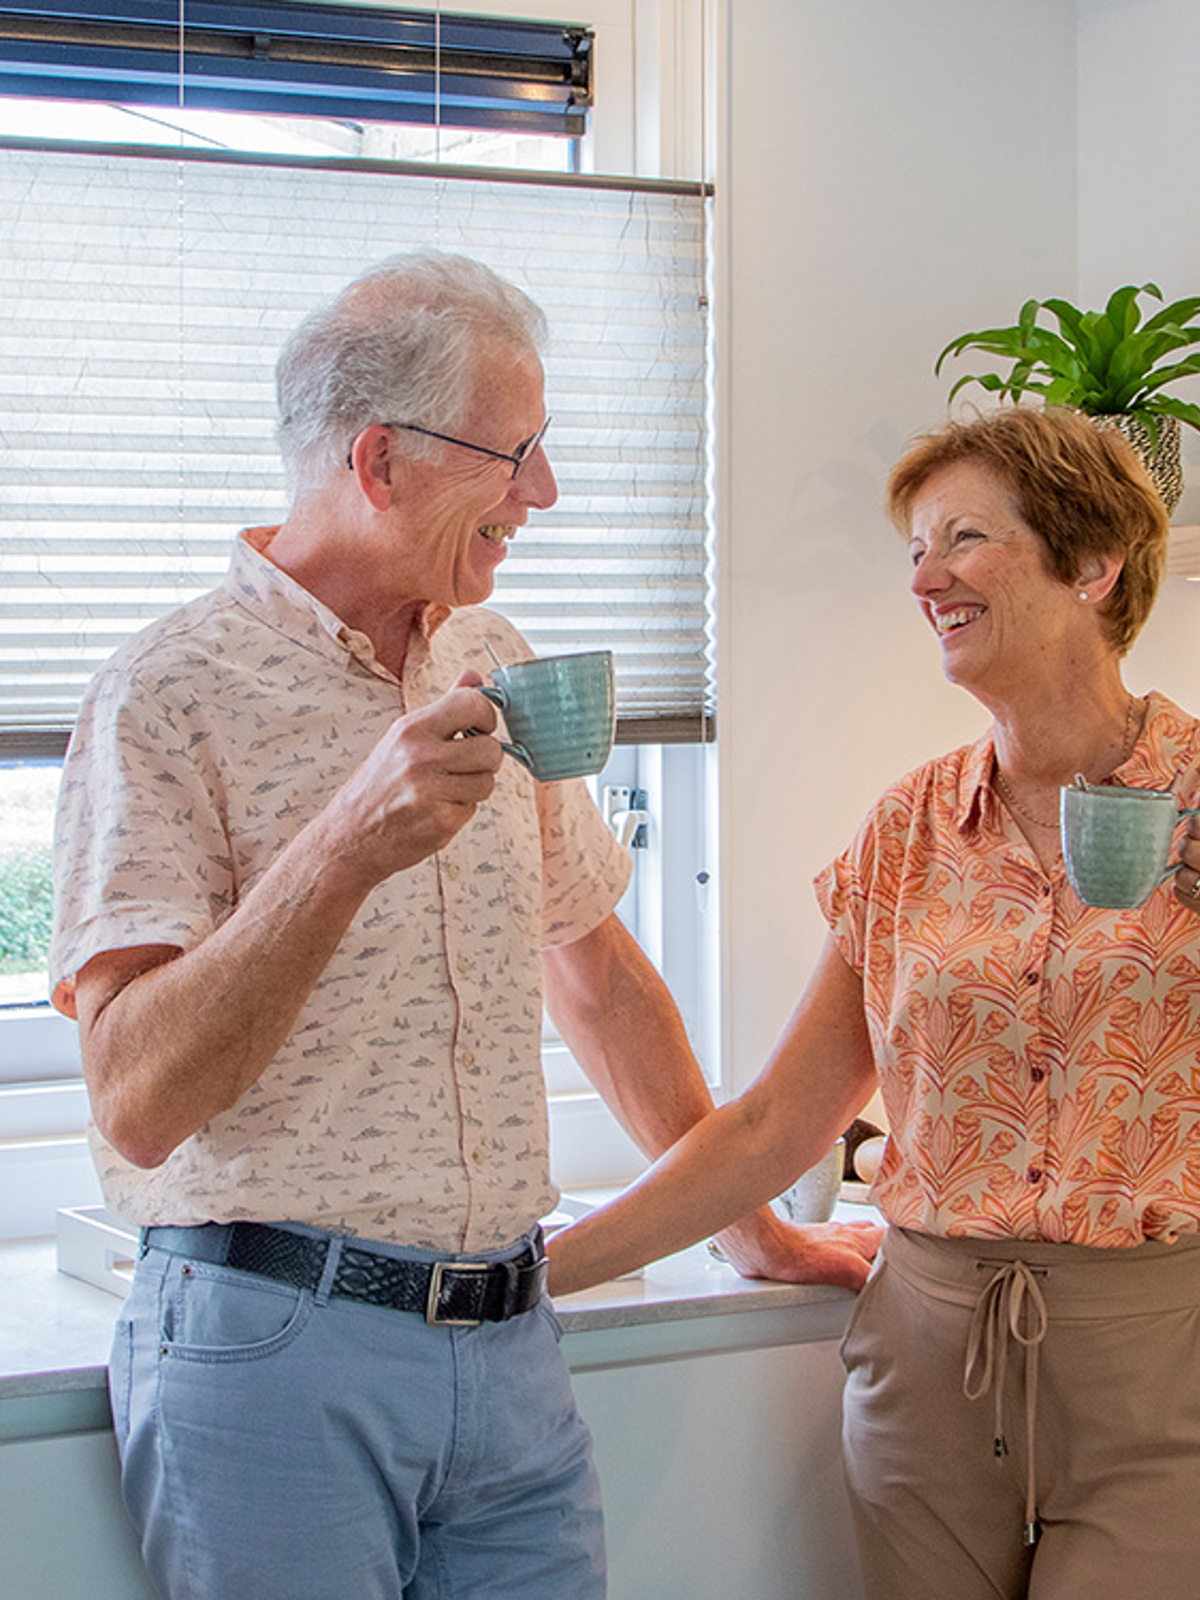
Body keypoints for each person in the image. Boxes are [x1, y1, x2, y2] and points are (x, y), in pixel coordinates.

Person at [48, 251, 878, 1600]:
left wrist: (741, 1223)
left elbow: (595, 970)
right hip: (274, 1348)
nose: (541, 494)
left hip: (512, 1347)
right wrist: (342, 848)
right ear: (380, 462)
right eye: (516, 453)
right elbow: (137, 1100)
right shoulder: (165, 692)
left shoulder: (494, 660)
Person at [548, 405, 1200, 1600]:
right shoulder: (908, 828)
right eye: (915, 549)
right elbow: (772, 1126)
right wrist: (540, 1272)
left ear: (1094, 565)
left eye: (964, 539)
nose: (926, 578)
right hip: (926, 1365)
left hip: (1163, 1375)